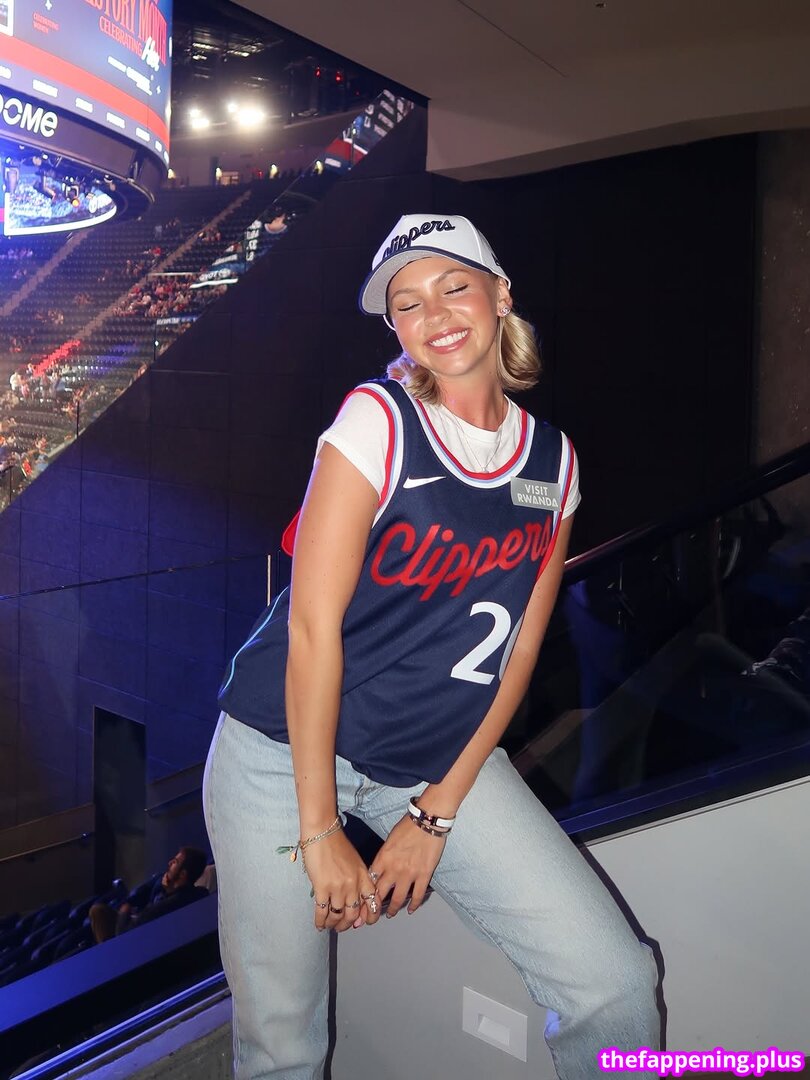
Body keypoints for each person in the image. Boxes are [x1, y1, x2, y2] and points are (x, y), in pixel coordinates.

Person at [203, 214, 661, 1079]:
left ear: (500, 294)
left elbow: (519, 649)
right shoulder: (378, 420)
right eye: (407, 303)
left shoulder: (554, 463)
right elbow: (311, 629)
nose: (435, 314)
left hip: (434, 755)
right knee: (285, 1043)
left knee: (614, 979)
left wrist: (435, 815)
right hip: (283, 754)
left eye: (454, 286)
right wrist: (317, 828)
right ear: (396, 328)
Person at [89, 846, 209, 943]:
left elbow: (125, 933)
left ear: (182, 874)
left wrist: (124, 912)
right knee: (98, 911)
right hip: (137, 922)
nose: (169, 863)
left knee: (101, 917)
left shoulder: (176, 901)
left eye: (175, 862)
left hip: (135, 938)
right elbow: (139, 894)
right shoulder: (164, 884)